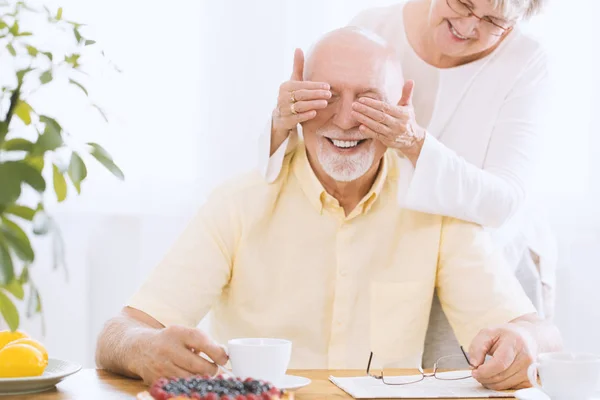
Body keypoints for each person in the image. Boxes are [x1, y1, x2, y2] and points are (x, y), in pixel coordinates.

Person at [96, 27, 561, 391]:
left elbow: (539, 334)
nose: (343, 120)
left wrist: (524, 346)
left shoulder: (432, 206)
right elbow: (119, 332)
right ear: (297, 98)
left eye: (367, 98)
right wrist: (142, 348)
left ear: (402, 105)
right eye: (327, 95)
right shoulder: (239, 203)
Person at [259, 0, 556, 321]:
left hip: (485, 267)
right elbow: (322, 146)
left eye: (493, 22)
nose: (470, 27)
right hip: (388, 262)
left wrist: (414, 143)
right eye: (463, 4)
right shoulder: (374, 27)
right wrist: (283, 120)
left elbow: (502, 202)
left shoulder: (526, 62)